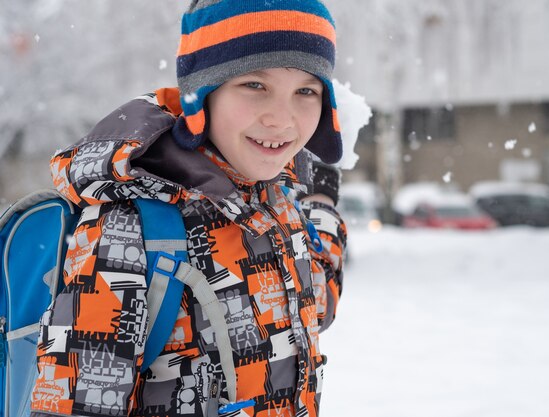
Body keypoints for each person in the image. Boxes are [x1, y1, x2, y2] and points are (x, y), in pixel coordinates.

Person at [30, 1, 347, 416]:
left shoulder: (279, 205)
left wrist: (320, 203)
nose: (282, 119)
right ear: (203, 95)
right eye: (255, 85)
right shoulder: (133, 228)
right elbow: (76, 404)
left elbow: (315, 302)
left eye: (306, 90)